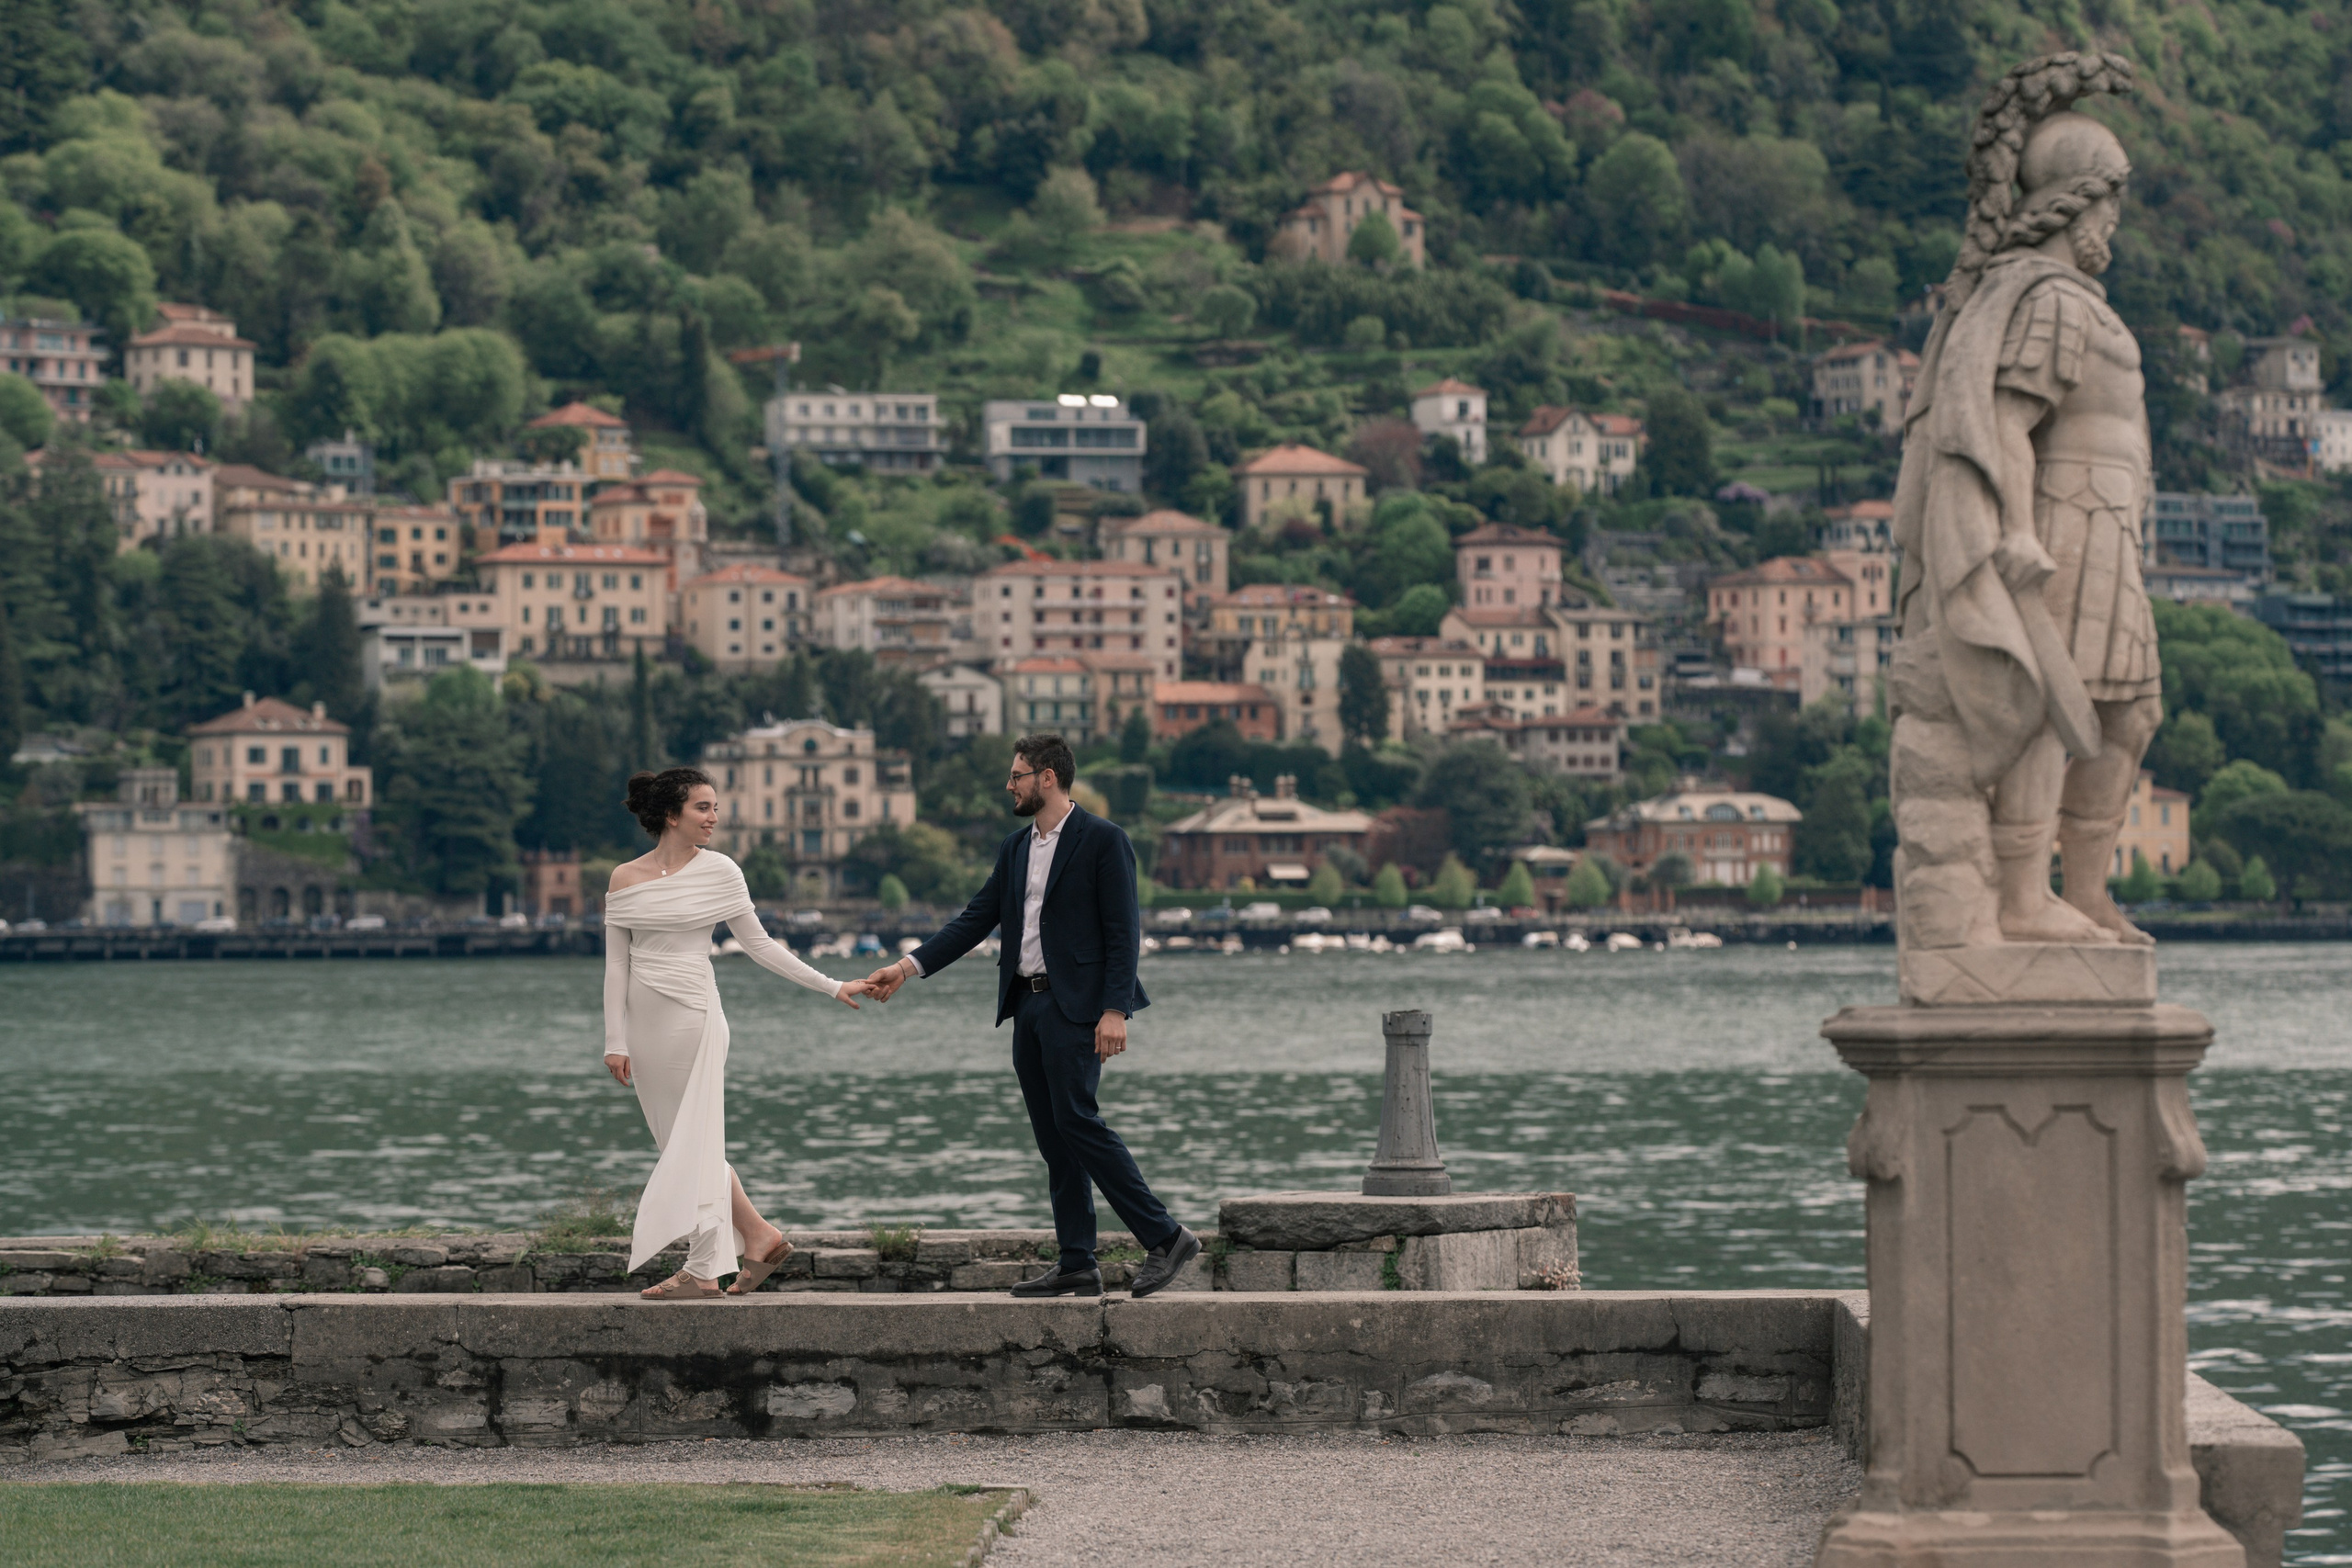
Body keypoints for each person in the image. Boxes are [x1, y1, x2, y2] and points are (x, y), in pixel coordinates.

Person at [1890, 54, 2165, 950]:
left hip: (2111, 528)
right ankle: (2020, 894)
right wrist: (2012, 528)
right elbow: (2002, 419)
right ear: (2078, 204)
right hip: (2065, 519)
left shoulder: (2079, 300)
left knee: (2128, 713)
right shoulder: (2048, 299)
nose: (2113, 228)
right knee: (2053, 698)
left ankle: (2082, 891)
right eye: (2109, 207)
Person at [865, 733, 1199, 1299]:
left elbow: (1124, 934)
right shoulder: (1015, 848)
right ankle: (1077, 1261)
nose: (1009, 785)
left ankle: (1165, 1238)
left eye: (1017, 775)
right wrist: (908, 967)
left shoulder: (1104, 840)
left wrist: (1115, 1009)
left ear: (1047, 777)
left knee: (1077, 1121)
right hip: (1028, 1005)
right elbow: (974, 919)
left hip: (1080, 1008)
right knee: (1054, 1137)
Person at [604, 767, 875, 1300]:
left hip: (695, 1016)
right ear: (671, 814)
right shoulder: (623, 878)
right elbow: (616, 965)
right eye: (703, 808)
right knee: (678, 1145)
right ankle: (755, 1236)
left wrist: (831, 984)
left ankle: (708, 1267)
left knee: (694, 1144)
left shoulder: (722, 871)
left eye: (716, 808)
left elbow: (761, 945)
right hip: (644, 1025)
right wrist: (615, 1039)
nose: (714, 818)